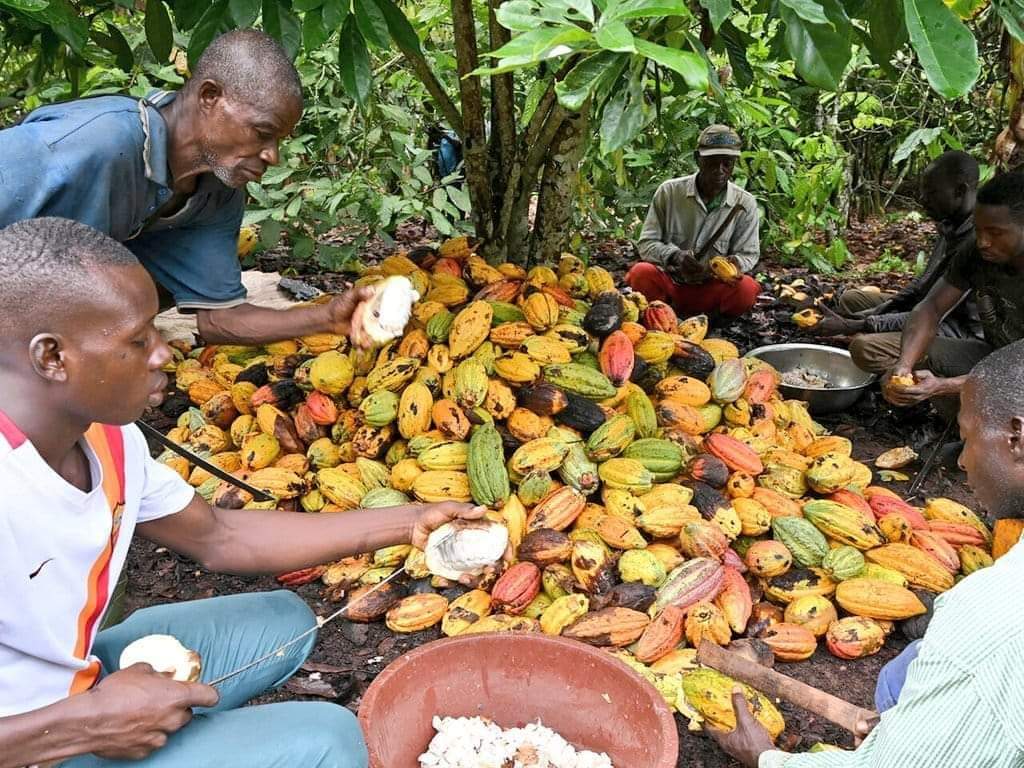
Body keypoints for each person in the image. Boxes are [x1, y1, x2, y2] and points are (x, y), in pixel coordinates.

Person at [0, 218, 484, 767]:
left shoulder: (106, 436)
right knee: (326, 738)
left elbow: (221, 535)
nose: (164, 353)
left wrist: (413, 522)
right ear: (51, 358)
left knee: (282, 622)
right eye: (138, 340)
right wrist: (87, 727)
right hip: (32, 744)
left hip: (69, 678)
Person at [710, 338, 1024, 767]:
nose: (962, 462)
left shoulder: (990, 615)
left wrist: (765, 757)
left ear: (1017, 438)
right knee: (906, 670)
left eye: (967, 437)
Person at [0, 29, 358, 347]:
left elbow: (221, 318)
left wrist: (327, 317)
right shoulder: (93, 144)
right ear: (209, 96)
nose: (273, 156)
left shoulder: (217, 192)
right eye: (263, 133)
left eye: (278, 140)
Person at [813, 152, 982, 357]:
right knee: (851, 300)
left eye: (931, 192)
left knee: (864, 347)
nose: (922, 199)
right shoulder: (949, 225)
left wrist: (857, 325)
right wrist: (869, 314)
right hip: (926, 309)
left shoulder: (979, 241)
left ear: (959, 191)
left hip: (955, 330)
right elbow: (921, 286)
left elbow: (933, 313)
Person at [881, 171, 1024, 411]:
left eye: (996, 233)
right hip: (994, 355)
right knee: (918, 354)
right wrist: (904, 364)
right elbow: (932, 307)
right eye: (978, 230)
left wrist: (944, 385)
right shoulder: (977, 252)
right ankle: (961, 425)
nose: (983, 242)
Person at [626, 124, 761, 318]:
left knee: (746, 289)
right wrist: (675, 256)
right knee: (641, 272)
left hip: (711, 288)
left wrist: (730, 265)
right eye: (713, 162)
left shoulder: (744, 202)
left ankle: (711, 319)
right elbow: (646, 244)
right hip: (672, 283)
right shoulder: (670, 192)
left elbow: (749, 254)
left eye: (727, 163)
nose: (720, 170)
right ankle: (661, 314)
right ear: (698, 159)